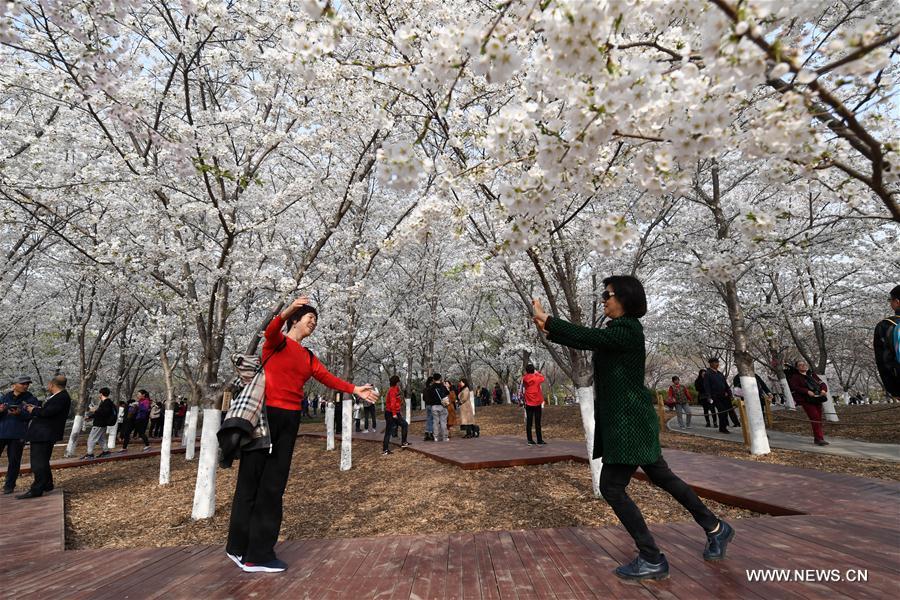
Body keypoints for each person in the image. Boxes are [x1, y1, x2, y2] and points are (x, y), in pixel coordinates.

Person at [532, 275, 733, 581]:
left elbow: (589, 339)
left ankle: (652, 557)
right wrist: (549, 328)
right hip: (631, 420)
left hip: (629, 424)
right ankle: (715, 527)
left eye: (607, 294)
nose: (603, 300)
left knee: (612, 487)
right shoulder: (619, 331)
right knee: (663, 477)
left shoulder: (627, 330)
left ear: (624, 299)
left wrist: (550, 323)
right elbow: (590, 340)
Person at [225, 296, 376, 573]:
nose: (313, 322)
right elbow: (270, 331)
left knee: (273, 485)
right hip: (265, 415)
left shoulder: (308, 356)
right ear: (296, 319)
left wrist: (355, 390)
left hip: (290, 419)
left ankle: (256, 552)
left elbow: (327, 377)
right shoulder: (277, 342)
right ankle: (242, 550)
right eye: (310, 317)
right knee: (250, 480)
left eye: (316, 320)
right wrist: (287, 310)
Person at [18, 375, 72, 499]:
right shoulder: (60, 397)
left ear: (51, 384)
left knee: (38, 463)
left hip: (44, 433)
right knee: (43, 461)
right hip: (44, 433)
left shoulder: (61, 397)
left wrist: (34, 410)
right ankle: (47, 484)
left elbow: (49, 412)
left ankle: (37, 489)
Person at [0, 375, 39, 494]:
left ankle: (9, 485)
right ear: (14, 385)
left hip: (18, 434)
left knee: (14, 460)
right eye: (23, 383)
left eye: (27, 384)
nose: (25, 386)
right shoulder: (4, 397)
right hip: (1, 432)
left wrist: (19, 413)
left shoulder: (31, 399)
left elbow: (33, 415)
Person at [788, 359, 829, 446]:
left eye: (804, 364)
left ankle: (818, 438)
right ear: (797, 367)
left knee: (818, 419)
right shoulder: (795, 377)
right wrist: (806, 391)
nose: (803, 366)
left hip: (817, 399)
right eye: (800, 365)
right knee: (815, 418)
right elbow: (795, 387)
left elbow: (822, 384)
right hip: (806, 400)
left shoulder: (812, 375)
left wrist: (823, 390)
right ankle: (819, 439)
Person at [874, 285, 900, 400]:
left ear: (897, 302)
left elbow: (883, 361)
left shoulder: (885, 325)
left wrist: (894, 390)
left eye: (891, 300)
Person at [704, 358, 739, 433]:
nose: (717, 364)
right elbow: (707, 386)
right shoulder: (708, 374)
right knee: (722, 411)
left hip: (725, 395)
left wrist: (729, 393)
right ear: (711, 363)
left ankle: (724, 426)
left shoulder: (720, 373)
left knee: (727, 411)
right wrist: (709, 397)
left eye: (717, 362)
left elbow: (725, 384)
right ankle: (722, 428)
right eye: (715, 362)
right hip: (716, 396)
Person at [82, 387, 116, 459]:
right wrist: (90, 417)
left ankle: (90, 454)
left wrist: (94, 410)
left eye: (99, 393)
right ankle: (106, 452)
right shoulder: (105, 402)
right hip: (102, 424)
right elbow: (100, 413)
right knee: (101, 439)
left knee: (91, 438)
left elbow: (104, 413)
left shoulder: (106, 403)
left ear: (101, 394)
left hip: (99, 424)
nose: (98, 395)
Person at [382, 376, 410, 455]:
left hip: (395, 412)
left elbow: (397, 400)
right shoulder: (392, 391)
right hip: (391, 413)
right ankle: (385, 450)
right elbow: (392, 403)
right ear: (396, 382)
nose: (399, 382)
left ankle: (403, 442)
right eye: (398, 381)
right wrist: (394, 414)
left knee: (404, 425)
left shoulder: (396, 389)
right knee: (389, 431)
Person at [522, 364, 546, 445]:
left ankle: (530, 440)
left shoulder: (524, 378)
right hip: (537, 401)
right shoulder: (536, 378)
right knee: (537, 421)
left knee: (529, 421)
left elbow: (525, 382)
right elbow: (543, 378)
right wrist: (537, 373)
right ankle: (539, 440)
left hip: (528, 401)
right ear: (533, 370)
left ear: (526, 371)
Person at [427, 374, 450, 442]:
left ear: (433, 379)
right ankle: (445, 437)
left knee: (435, 422)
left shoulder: (431, 387)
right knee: (443, 422)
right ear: (440, 378)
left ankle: (435, 437)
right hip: (443, 406)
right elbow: (447, 393)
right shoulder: (443, 386)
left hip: (434, 406)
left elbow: (429, 397)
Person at [423, 374, 438, 441]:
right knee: (432, 419)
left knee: (428, 419)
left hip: (427, 405)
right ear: (432, 381)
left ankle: (427, 432)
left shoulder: (425, 389)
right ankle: (431, 433)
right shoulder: (432, 388)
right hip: (432, 405)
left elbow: (423, 398)